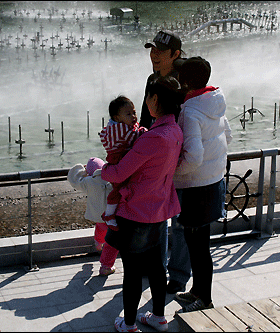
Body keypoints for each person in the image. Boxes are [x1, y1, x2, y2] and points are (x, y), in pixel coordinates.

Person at [101, 76, 183, 332]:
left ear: (155, 100)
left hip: (136, 213)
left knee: (133, 272)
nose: (145, 102)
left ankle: (127, 324)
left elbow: (117, 173)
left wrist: (99, 168)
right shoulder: (176, 131)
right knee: (157, 267)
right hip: (160, 210)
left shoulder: (152, 138)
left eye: (147, 97)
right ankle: (158, 317)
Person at [173, 57, 233, 314]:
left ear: (185, 82)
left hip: (196, 187)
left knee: (198, 248)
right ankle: (197, 290)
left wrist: (175, 173)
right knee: (199, 243)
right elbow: (227, 135)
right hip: (213, 181)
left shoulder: (191, 110)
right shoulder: (215, 102)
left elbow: (194, 156)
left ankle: (205, 298)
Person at [142, 30, 192, 294]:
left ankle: (180, 276)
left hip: (181, 161)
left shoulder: (187, 80)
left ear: (176, 55)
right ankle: (155, 269)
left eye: (160, 52)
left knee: (182, 222)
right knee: (155, 218)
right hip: (157, 163)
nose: (154, 56)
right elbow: (145, 121)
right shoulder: (152, 79)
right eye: (152, 50)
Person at [99, 96, 148, 231]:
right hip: (118, 160)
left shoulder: (113, 126)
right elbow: (135, 135)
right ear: (117, 117)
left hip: (116, 158)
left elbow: (103, 135)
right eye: (128, 114)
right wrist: (146, 132)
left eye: (134, 112)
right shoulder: (122, 130)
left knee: (122, 187)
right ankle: (109, 215)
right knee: (118, 189)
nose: (133, 116)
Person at [67, 157, 119, 276]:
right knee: (112, 240)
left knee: (100, 227)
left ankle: (98, 243)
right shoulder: (112, 180)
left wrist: (81, 169)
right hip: (112, 215)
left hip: (97, 215)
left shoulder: (89, 181)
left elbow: (75, 180)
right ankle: (106, 266)